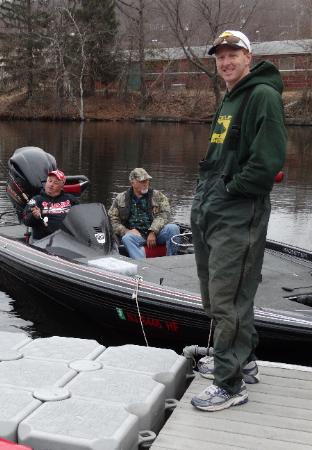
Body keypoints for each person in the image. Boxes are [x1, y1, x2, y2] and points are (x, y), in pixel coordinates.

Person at [190, 30, 286, 411]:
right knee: (218, 294)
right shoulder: (231, 97)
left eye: (234, 54)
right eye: (220, 56)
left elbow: (266, 163)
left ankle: (229, 384)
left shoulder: (262, 95)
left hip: (238, 211)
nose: (226, 61)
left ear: (249, 57)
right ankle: (241, 360)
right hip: (213, 208)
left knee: (227, 298)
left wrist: (232, 190)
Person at [108, 168, 179, 259]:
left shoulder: (158, 196)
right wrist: (126, 231)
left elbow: (164, 214)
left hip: (157, 234)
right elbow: (112, 220)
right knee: (126, 238)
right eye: (142, 181)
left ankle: (171, 260)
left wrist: (153, 231)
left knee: (173, 228)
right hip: (135, 236)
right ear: (133, 183)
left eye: (147, 180)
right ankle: (142, 264)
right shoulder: (120, 198)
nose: (146, 183)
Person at [22, 170, 79, 240]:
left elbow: (80, 217)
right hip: (43, 241)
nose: (51, 184)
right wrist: (34, 216)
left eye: (55, 183)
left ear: (62, 186)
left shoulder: (71, 199)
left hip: (68, 240)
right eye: (50, 181)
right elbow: (25, 220)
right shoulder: (36, 200)